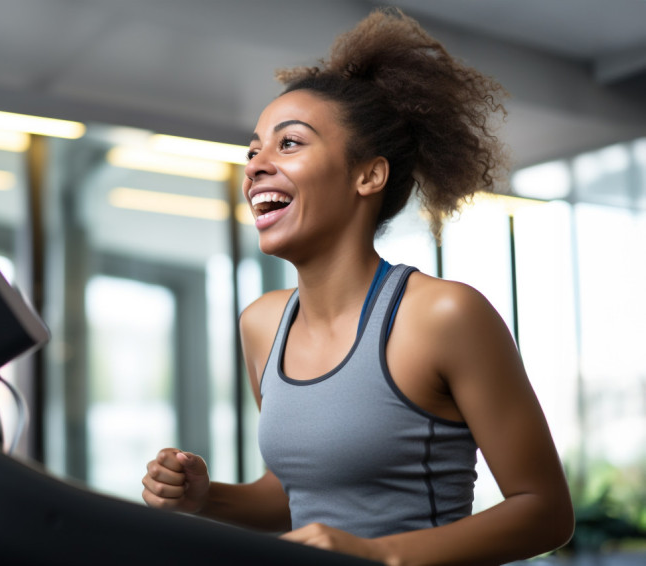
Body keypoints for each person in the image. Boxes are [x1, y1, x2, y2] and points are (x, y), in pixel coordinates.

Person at [141, 8, 574, 565]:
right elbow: (291, 493)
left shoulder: (444, 315)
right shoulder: (262, 324)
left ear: (367, 175)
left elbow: (545, 511)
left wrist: (377, 556)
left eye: (288, 143)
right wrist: (205, 498)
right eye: (253, 151)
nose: (255, 167)